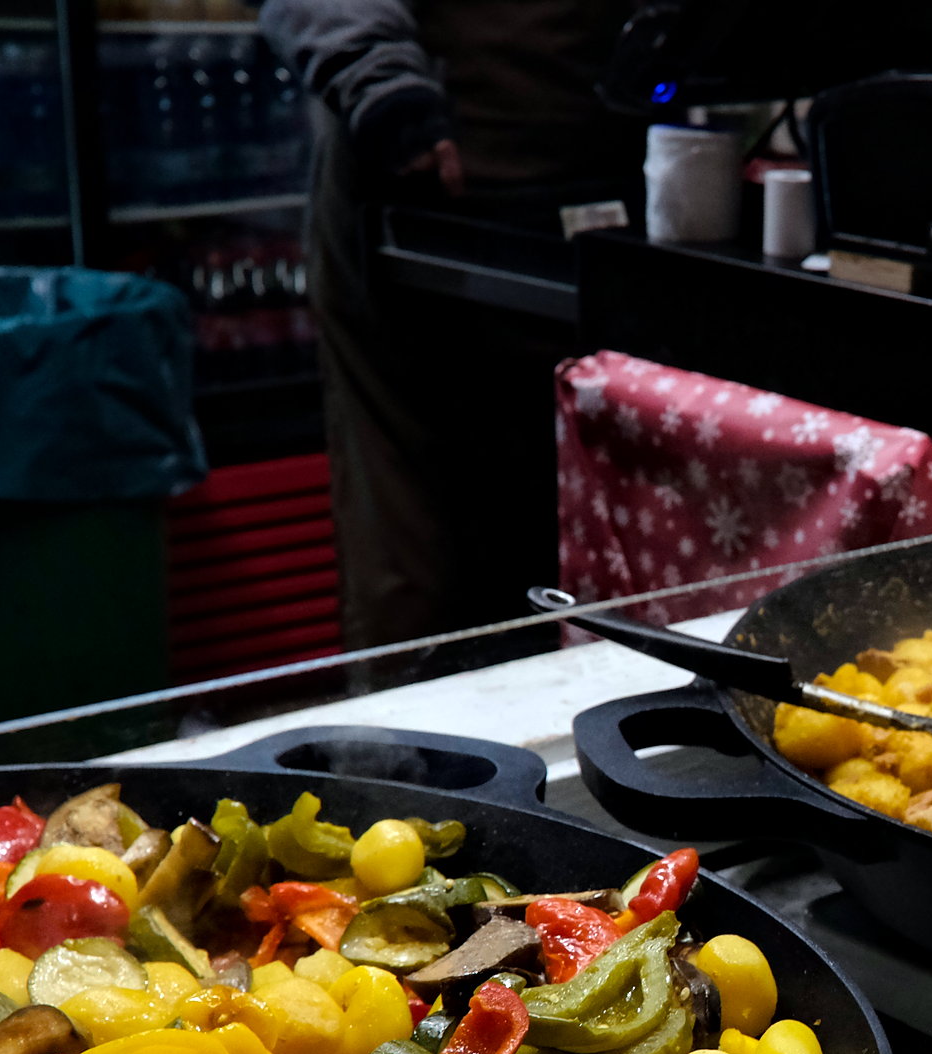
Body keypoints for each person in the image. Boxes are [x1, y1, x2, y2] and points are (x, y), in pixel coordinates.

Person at [258, 0, 643, 645]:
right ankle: (405, 743)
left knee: (581, 547)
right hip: (420, 196)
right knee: (415, 556)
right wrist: (379, 79)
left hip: (594, 202)